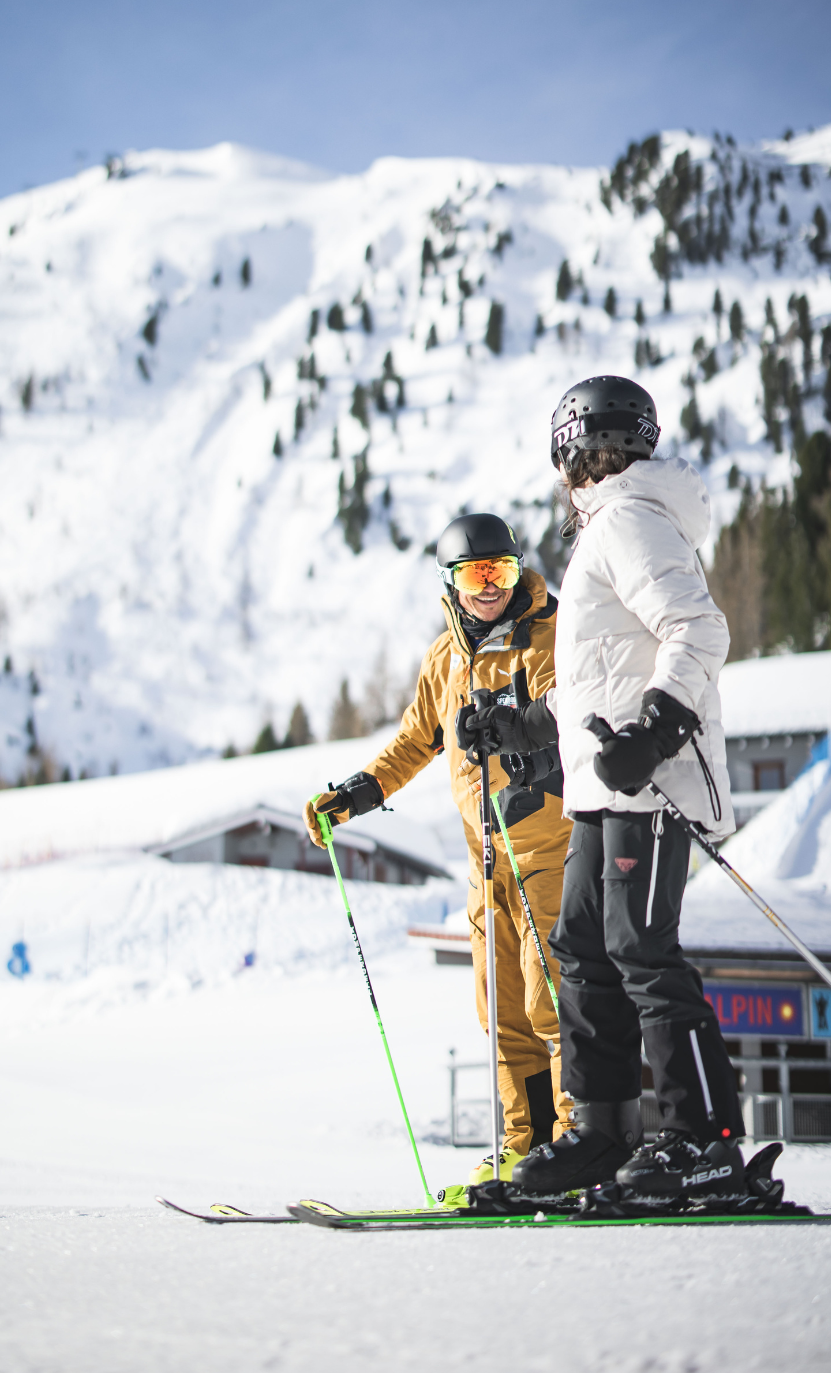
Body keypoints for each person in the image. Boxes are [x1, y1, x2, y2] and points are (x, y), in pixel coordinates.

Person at [478, 376, 744, 1200]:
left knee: (640, 952)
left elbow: (698, 630)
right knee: (585, 950)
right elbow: (603, 675)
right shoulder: (610, 525)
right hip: (605, 788)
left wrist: (657, 732)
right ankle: (602, 1134)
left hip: (650, 786)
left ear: (572, 455)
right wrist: (524, 725)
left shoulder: (628, 520)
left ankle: (701, 1142)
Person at [304, 512, 571, 1202]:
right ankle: (527, 1150)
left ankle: (579, 1144)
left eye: (500, 571)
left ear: (518, 569)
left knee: (553, 1001)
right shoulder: (445, 659)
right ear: (451, 583)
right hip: (486, 865)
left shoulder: (549, 635)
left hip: (549, 851)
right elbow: (414, 741)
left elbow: (568, 717)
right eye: (474, 576)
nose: (490, 588)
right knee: (502, 1013)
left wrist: (516, 731)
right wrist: (356, 794)